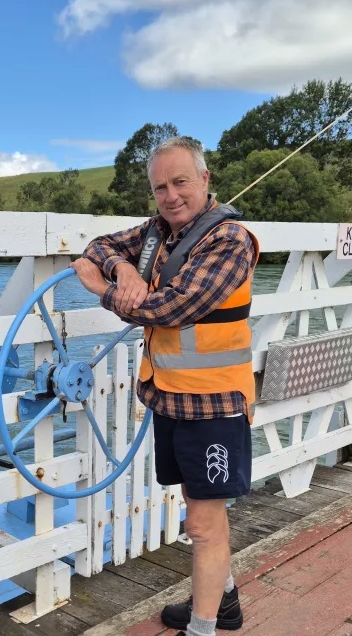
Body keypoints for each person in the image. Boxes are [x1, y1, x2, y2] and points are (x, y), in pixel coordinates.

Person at [70, 136, 259, 636]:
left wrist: (103, 288)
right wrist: (125, 266)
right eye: (160, 188)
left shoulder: (230, 241)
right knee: (196, 509)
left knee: (202, 524)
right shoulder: (157, 232)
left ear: (204, 180)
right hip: (169, 396)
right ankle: (225, 602)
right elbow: (97, 247)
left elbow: (173, 308)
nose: (171, 196)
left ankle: (202, 629)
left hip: (215, 402)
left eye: (180, 182)